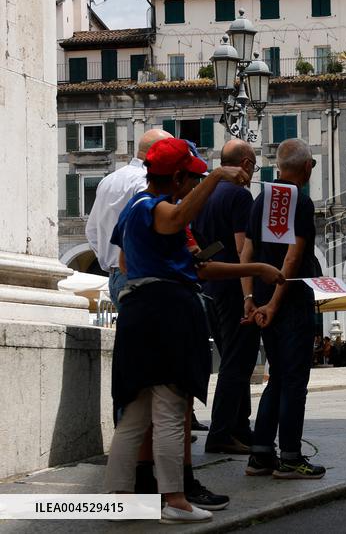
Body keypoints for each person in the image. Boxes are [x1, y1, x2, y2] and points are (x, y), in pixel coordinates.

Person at [104, 138, 282, 523]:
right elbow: (176, 216)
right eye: (193, 177)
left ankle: (121, 502)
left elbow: (132, 261)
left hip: (138, 312)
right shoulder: (157, 207)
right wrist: (218, 175)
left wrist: (255, 270)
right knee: (169, 411)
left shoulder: (133, 210)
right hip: (165, 313)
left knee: (134, 416)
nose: (195, 183)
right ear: (179, 177)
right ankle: (174, 501)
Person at [242, 139, 326, 480]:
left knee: (277, 377)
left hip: (261, 299)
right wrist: (275, 304)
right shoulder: (300, 202)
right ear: (306, 168)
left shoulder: (263, 198)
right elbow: (292, 257)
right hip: (288, 303)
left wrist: (251, 300)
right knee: (294, 382)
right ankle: (290, 457)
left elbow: (246, 253)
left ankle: (261, 454)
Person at [192, 139, 259, 455]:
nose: (253, 171)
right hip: (233, 287)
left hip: (210, 288)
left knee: (232, 356)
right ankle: (220, 433)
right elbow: (242, 248)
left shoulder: (204, 196)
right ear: (245, 163)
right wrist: (249, 294)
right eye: (254, 165)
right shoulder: (239, 195)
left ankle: (240, 428)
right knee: (238, 361)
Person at [85, 129, 171, 308]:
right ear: (160, 151)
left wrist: (111, 261)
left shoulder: (109, 180)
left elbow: (91, 231)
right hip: (139, 274)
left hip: (115, 277)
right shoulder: (145, 182)